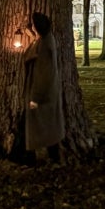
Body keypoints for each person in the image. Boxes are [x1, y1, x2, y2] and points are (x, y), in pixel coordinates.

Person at [23, 12, 65, 163]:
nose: (32, 26)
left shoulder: (45, 46)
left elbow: (43, 74)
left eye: (34, 25)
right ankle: (51, 157)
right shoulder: (47, 40)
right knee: (48, 126)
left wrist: (35, 98)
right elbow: (39, 42)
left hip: (42, 96)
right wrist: (32, 35)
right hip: (48, 95)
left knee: (41, 126)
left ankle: (37, 158)